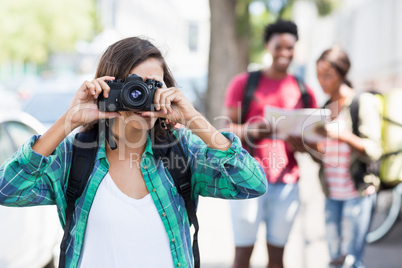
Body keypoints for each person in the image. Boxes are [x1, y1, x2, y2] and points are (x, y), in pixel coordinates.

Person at [0, 36, 267, 268]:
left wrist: (193, 119)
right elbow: (7, 189)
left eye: (154, 85)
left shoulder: (183, 153)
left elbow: (253, 182)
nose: (140, 94)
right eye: (132, 84)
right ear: (108, 88)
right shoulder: (74, 156)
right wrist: (68, 120)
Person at [224, 20, 317, 268]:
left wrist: (303, 145)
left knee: (277, 258)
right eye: (279, 47)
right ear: (268, 46)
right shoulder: (244, 84)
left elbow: (317, 146)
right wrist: (251, 130)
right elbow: (224, 130)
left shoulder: (304, 90)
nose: (285, 53)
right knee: (242, 256)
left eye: (290, 48)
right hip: (246, 181)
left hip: (286, 184)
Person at [313, 46, 382, 268]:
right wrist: (308, 147)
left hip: (357, 193)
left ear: (341, 74)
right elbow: (326, 155)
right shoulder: (325, 107)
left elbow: (374, 149)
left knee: (351, 261)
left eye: (328, 75)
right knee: (335, 259)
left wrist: (344, 136)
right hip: (332, 193)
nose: (322, 81)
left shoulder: (361, 102)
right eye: (318, 75)